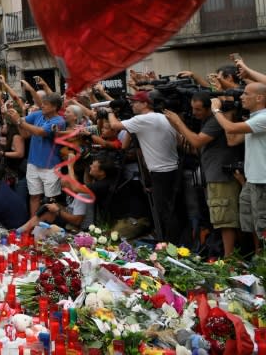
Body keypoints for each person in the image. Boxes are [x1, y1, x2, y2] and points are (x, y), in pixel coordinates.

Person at [165, 92, 243, 256]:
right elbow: (195, 148)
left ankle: (230, 261)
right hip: (213, 175)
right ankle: (228, 256)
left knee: (225, 220)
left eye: (198, 109)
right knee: (220, 219)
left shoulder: (215, 120)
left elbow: (196, 141)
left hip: (221, 177)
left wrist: (179, 122)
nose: (194, 113)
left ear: (210, 108)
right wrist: (175, 127)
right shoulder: (207, 121)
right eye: (193, 109)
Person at [108, 90, 182, 243]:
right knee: (170, 208)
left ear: (145, 104)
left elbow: (114, 125)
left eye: (135, 102)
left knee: (164, 211)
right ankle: (168, 240)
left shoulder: (144, 119)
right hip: (171, 168)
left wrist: (109, 111)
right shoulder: (163, 117)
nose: (132, 105)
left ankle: (170, 244)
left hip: (161, 171)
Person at [211, 82, 266, 249]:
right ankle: (259, 259)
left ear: (259, 97)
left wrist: (216, 110)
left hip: (263, 181)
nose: (241, 97)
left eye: (246, 94)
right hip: (252, 180)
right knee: (252, 224)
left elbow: (230, 128)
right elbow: (232, 139)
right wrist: (227, 111)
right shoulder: (254, 119)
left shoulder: (263, 118)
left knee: (263, 225)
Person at [6, 92, 65, 220]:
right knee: (34, 196)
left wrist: (19, 120)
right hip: (33, 162)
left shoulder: (59, 121)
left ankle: (50, 229)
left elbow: (40, 132)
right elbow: (25, 134)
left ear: (54, 107)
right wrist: (15, 119)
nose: (41, 106)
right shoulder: (38, 115)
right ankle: (34, 226)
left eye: (45, 104)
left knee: (50, 200)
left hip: (51, 166)